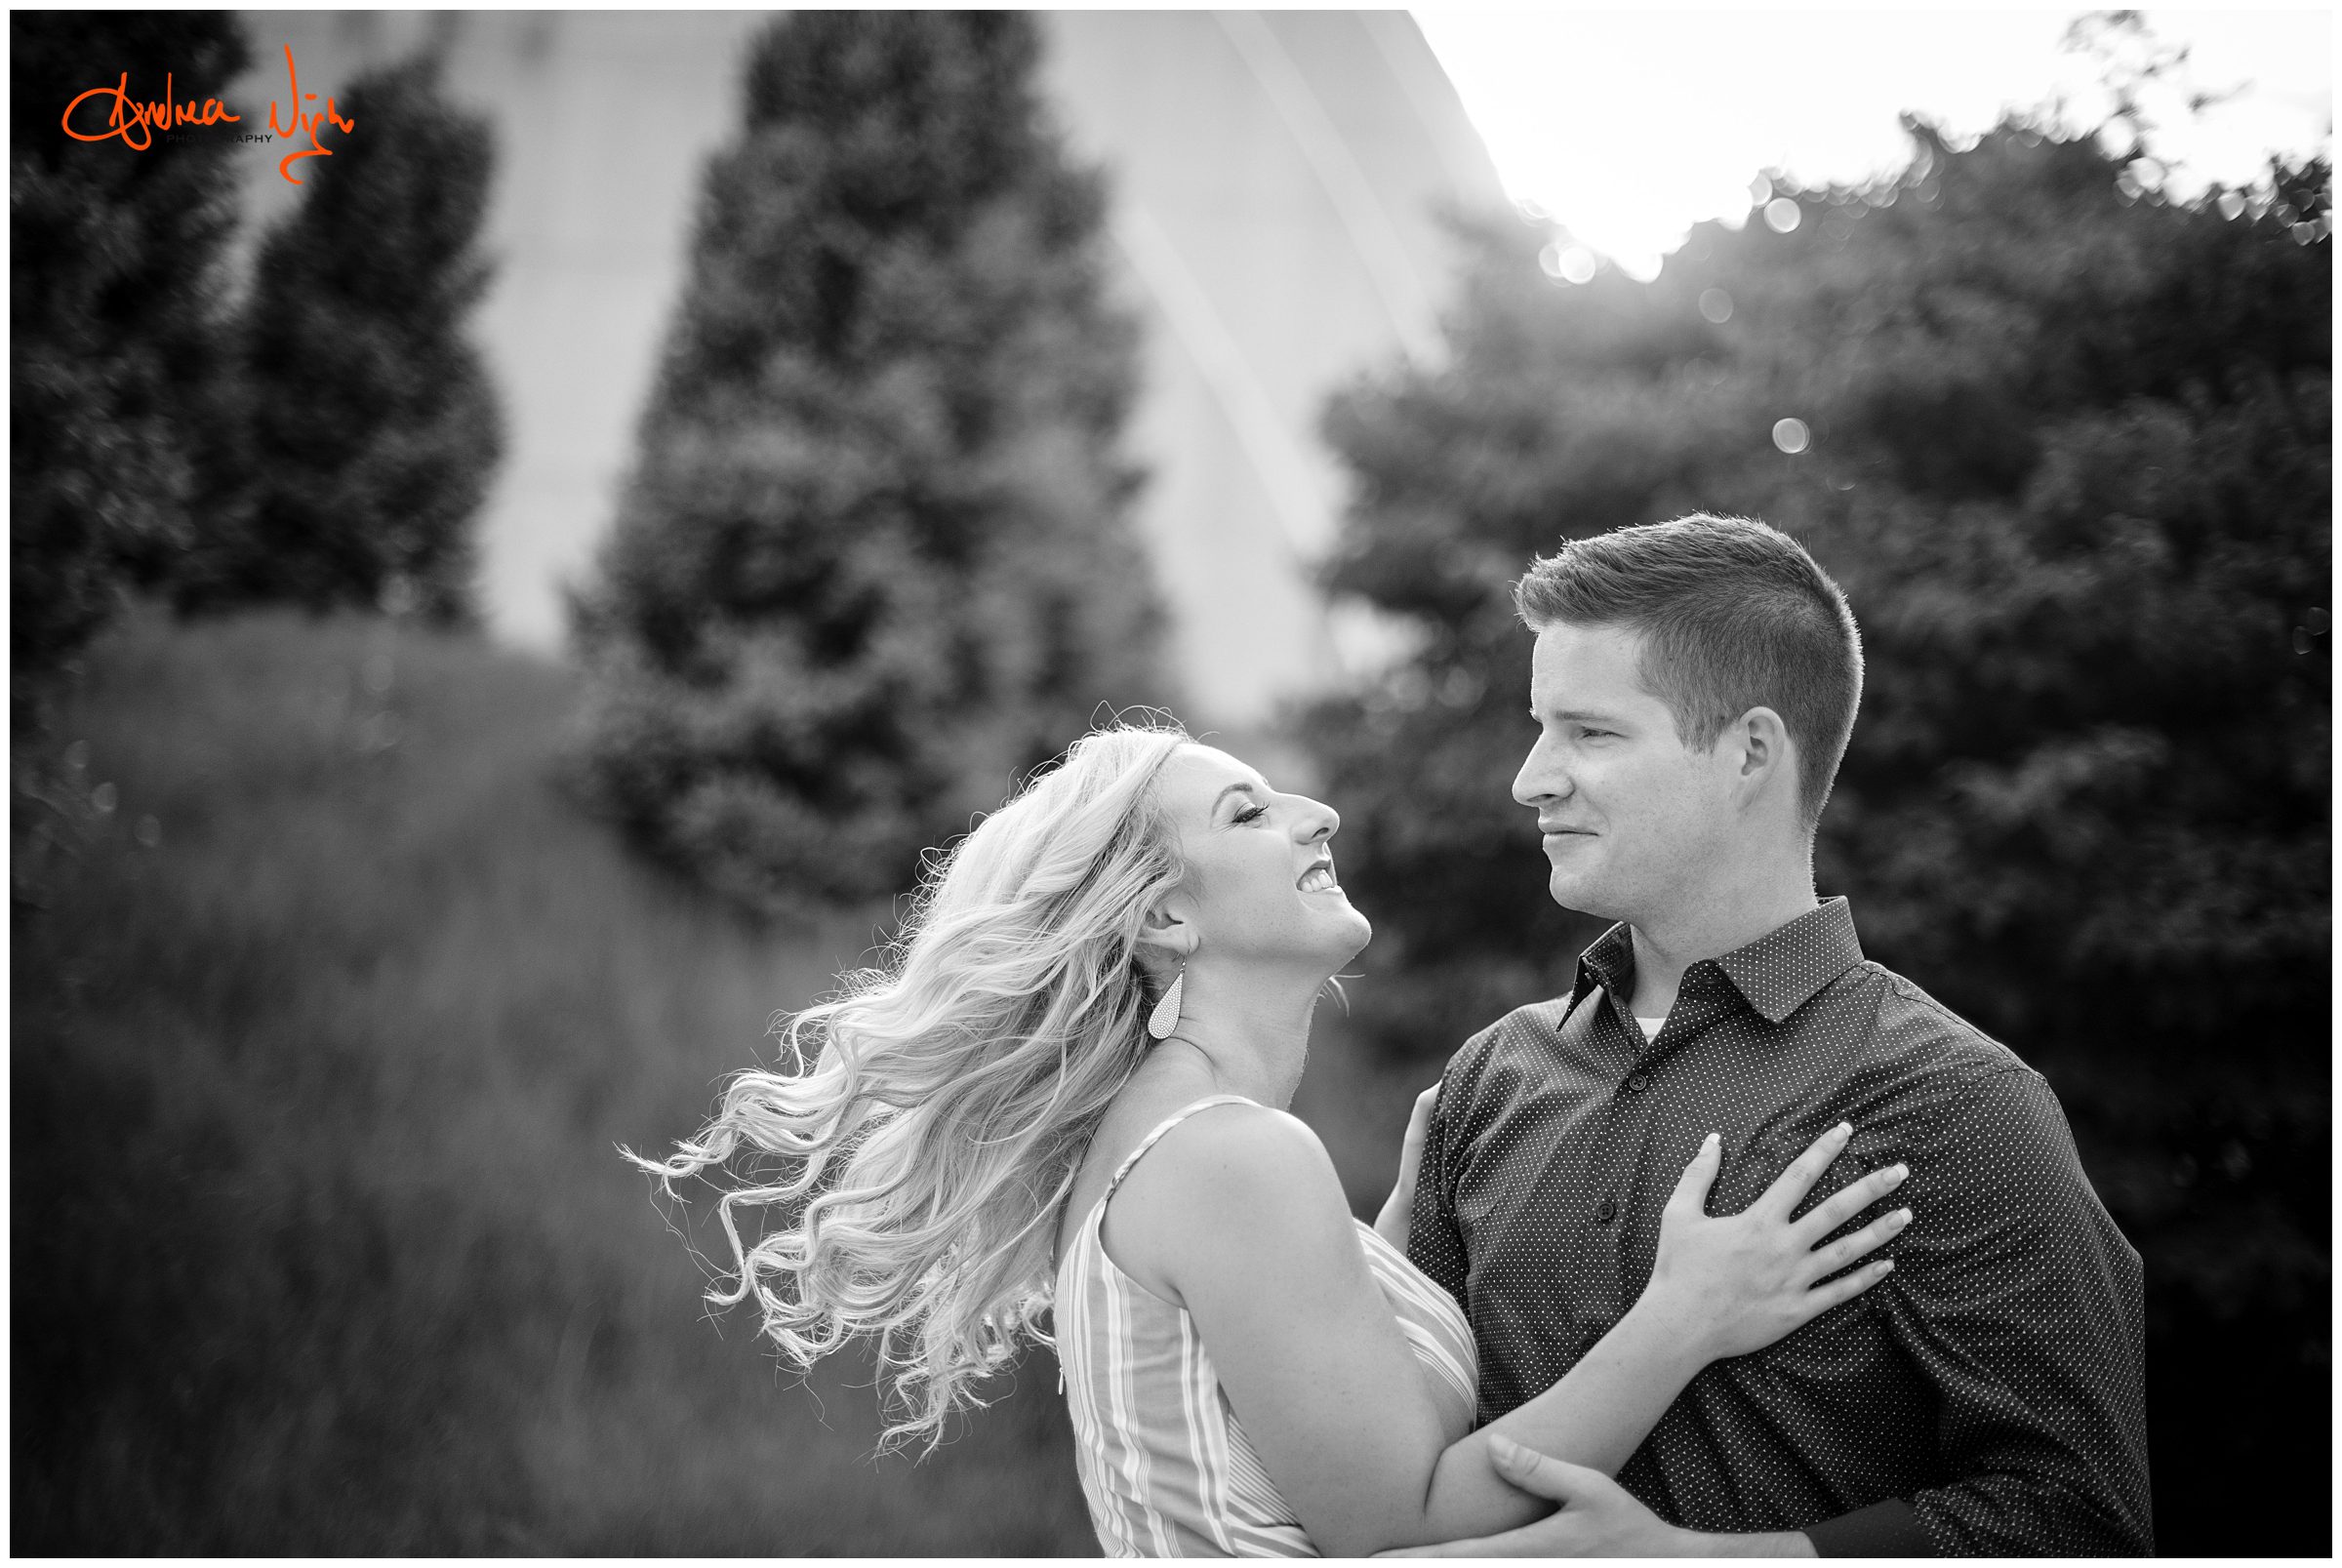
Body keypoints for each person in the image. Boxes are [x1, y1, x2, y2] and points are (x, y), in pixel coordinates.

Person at [626, 717, 1913, 1556]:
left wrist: (1394, 1241)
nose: (1318, 816)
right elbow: (1400, 1527)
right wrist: (1686, 1311)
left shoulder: (1188, 1149)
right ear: (1167, 922)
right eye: (1248, 814)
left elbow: (1286, 1453)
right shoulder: (1228, 1157)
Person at [1399, 514, 2153, 1556]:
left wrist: (1707, 1561)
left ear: (1750, 749)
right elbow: (1400, 1470)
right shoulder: (1489, 1077)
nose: (1532, 777)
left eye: (1591, 732)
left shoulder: (1956, 1101)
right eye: (1540, 728)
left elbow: (2080, 1519)